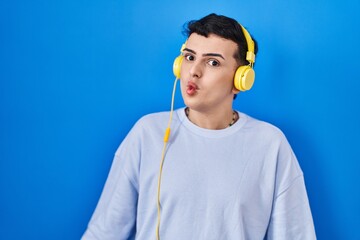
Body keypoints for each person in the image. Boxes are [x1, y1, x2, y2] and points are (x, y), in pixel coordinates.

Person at [82, 13, 316, 239]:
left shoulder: (270, 144)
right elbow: (104, 232)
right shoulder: (148, 132)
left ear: (241, 80)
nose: (194, 71)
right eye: (190, 57)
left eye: (212, 62)